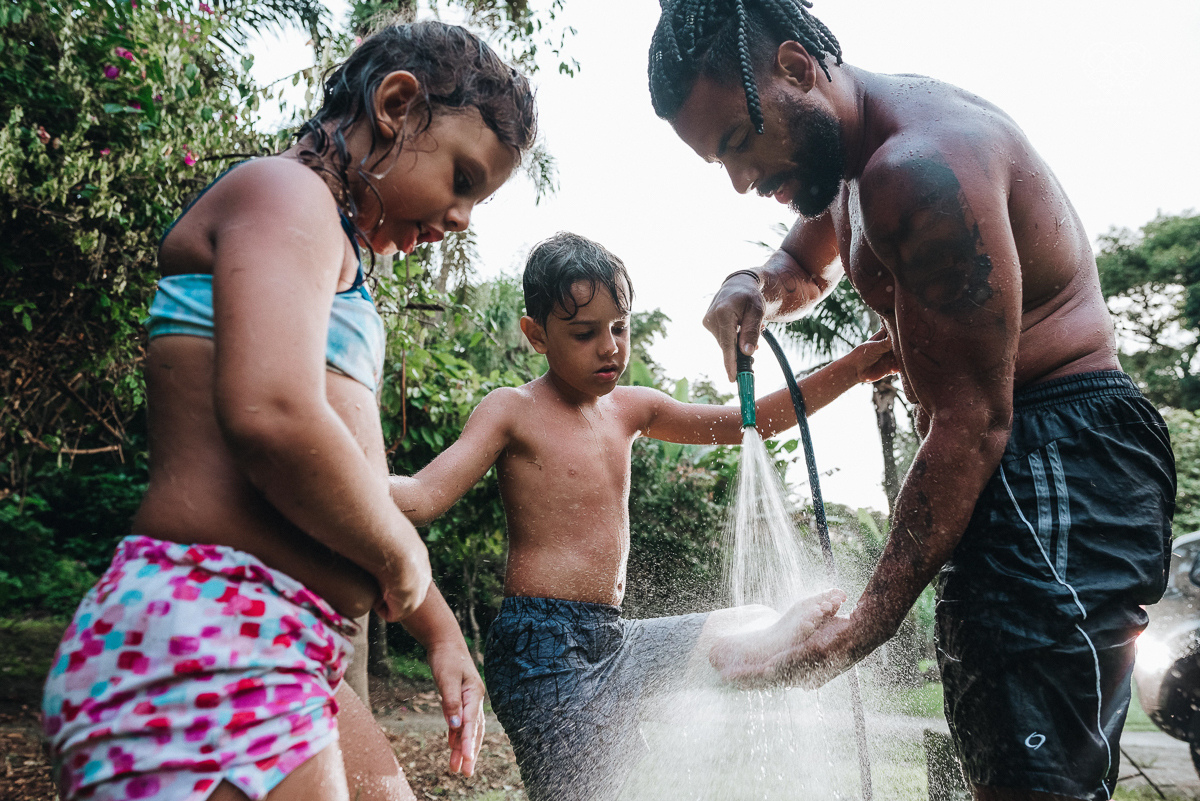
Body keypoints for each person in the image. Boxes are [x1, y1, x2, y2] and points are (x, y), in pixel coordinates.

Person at [647, 2, 1178, 800]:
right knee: (1001, 767)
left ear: (796, 69)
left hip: (1060, 455)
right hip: (1022, 461)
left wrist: (860, 626)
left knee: (1039, 783)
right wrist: (749, 283)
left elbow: (971, 425)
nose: (742, 180)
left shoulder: (919, 167)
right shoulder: (853, 159)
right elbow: (803, 260)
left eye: (738, 143)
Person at [40, 21, 536, 801]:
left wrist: (437, 623)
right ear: (396, 104)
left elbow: (347, 479)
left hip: (279, 640)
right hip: (211, 629)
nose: (464, 217)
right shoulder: (285, 194)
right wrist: (405, 559)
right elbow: (273, 415)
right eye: (464, 178)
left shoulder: (328, 248)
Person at [388, 230, 894, 801]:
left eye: (619, 328)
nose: (609, 348)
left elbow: (747, 422)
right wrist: (334, 472)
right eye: (584, 333)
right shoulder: (513, 410)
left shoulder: (633, 408)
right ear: (536, 335)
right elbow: (421, 498)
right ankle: (748, 662)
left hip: (614, 638)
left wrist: (852, 369)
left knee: (748, 619)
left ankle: (753, 660)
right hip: (542, 648)